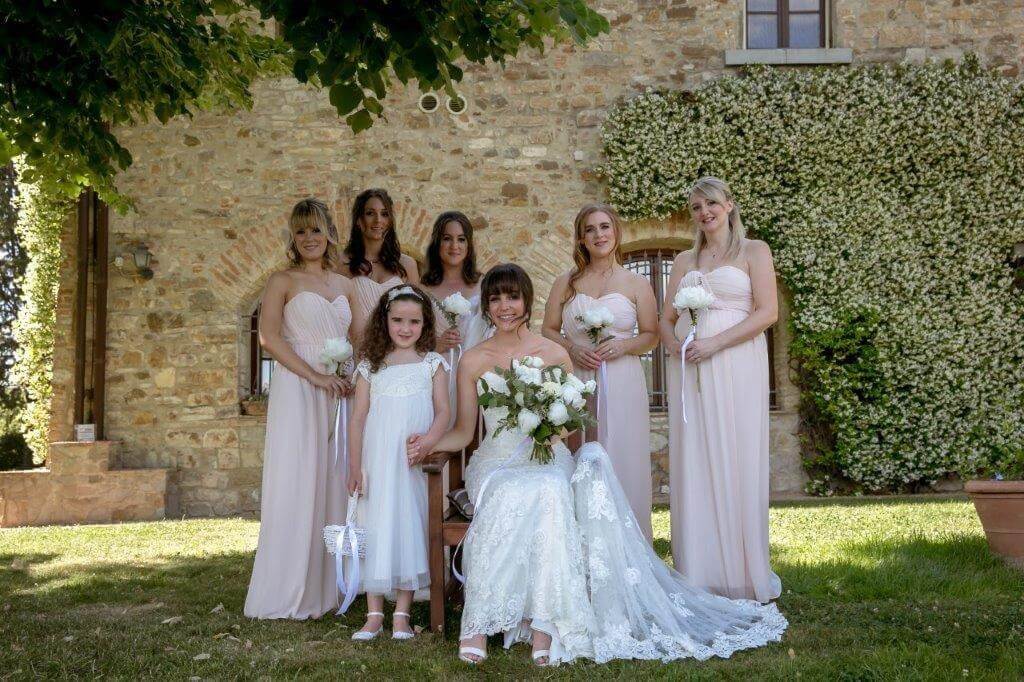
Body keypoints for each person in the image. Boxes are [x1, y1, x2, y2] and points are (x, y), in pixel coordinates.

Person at [417, 263, 787, 666]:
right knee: (509, 491)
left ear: (526, 301)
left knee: (551, 489)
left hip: (546, 455)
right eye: (496, 298)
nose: (505, 306)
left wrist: (549, 431)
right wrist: (428, 442)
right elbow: (463, 429)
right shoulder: (473, 360)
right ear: (486, 307)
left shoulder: (554, 353)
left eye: (513, 296)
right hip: (496, 460)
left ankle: (545, 621)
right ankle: (479, 622)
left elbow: (567, 424)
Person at [660, 176, 782, 602]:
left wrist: (714, 343)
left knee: (735, 453)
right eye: (696, 207)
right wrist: (674, 343)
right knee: (696, 455)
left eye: (711, 203)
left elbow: (767, 313)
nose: (704, 212)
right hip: (690, 370)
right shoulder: (681, 261)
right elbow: (663, 318)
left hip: (736, 365)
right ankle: (699, 569)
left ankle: (741, 572)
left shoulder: (754, 251)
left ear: (729, 204)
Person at [244, 198, 353, 619]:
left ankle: (329, 587)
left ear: (329, 233)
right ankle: (287, 588)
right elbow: (269, 339)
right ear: (293, 236)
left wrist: (351, 377)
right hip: (299, 387)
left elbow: (361, 339)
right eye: (302, 230)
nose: (309, 238)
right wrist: (315, 376)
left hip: (337, 391)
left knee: (332, 480)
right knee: (298, 476)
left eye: (316, 229)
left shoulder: (343, 285)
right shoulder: (281, 281)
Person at [542, 203, 659, 539]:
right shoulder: (566, 282)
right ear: (581, 238)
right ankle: (581, 541)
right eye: (590, 229)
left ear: (616, 231)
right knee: (579, 453)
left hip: (623, 380)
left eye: (605, 227)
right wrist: (572, 348)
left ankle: (629, 543)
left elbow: (651, 336)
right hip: (577, 380)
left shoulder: (636, 283)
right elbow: (548, 330)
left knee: (622, 453)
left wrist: (623, 346)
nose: (599, 235)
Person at [346, 284, 450, 640]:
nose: (406, 329)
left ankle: (402, 614)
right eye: (398, 320)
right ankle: (374, 612)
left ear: (425, 325)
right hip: (375, 460)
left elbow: (443, 413)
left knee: (408, 524)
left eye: (414, 322)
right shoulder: (370, 366)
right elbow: (358, 418)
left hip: (410, 461)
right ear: (384, 321)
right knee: (374, 525)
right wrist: (354, 465)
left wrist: (428, 442)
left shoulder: (432, 364)